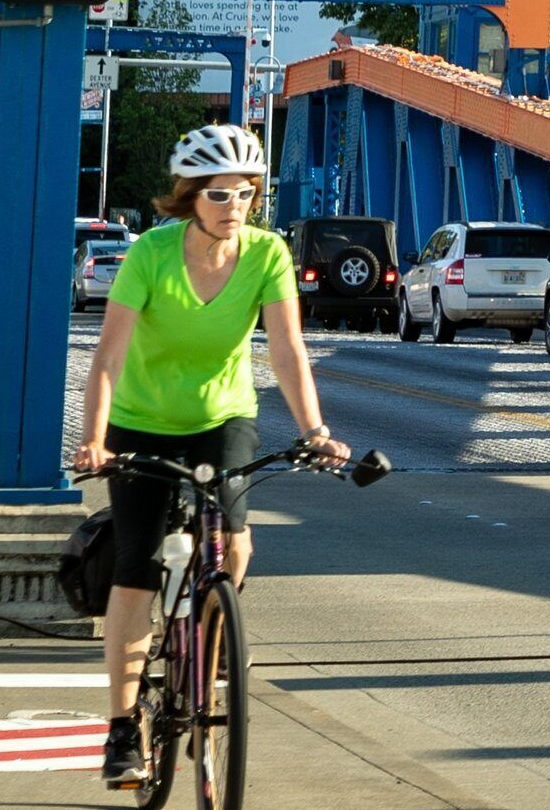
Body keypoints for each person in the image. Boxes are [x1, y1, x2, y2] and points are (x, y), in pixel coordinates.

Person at [75, 125, 347, 790]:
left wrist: (315, 429)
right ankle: (121, 729)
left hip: (222, 416)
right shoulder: (151, 255)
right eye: (221, 192)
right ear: (192, 196)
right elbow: (108, 357)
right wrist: (95, 439)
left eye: (248, 193)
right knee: (135, 569)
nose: (235, 205)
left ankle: (211, 630)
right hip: (142, 420)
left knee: (236, 544)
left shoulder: (267, 254)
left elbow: (285, 351)